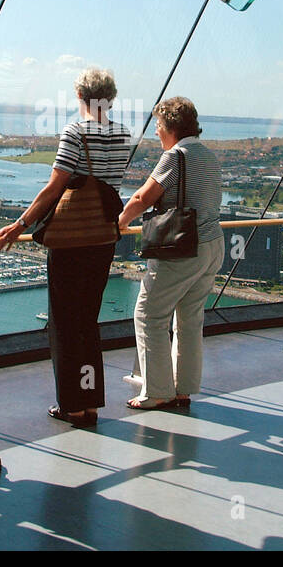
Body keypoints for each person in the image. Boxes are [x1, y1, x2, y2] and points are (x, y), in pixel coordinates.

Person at [0, 68, 131, 428]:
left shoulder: (75, 132)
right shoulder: (122, 134)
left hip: (73, 240)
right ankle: (90, 402)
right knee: (87, 321)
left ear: (81, 96)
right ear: (110, 98)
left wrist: (20, 225)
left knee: (65, 323)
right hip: (103, 235)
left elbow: (55, 188)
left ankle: (72, 404)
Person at [117, 97, 223, 409]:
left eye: (159, 127)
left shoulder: (175, 157)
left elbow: (142, 197)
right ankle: (183, 388)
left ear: (170, 128)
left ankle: (157, 391)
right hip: (212, 244)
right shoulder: (209, 156)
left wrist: (118, 223)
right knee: (189, 319)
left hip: (183, 249)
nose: (156, 134)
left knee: (149, 315)